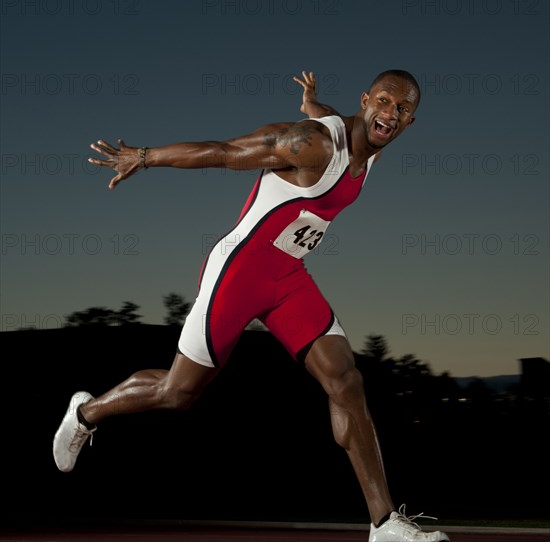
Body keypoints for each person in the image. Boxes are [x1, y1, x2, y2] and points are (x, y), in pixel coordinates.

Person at [53, 69, 450, 542]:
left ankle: (384, 524)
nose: (390, 114)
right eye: (384, 101)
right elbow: (224, 151)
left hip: (288, 277)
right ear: (366, 100)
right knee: (178, 393)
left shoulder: (369, 147)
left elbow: (329, 116)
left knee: (345, 380)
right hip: (239, 273)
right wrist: (144, 156)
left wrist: (311, 103)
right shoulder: (312, 145)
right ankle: (86, 413)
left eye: (402, 109)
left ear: (410, 121)